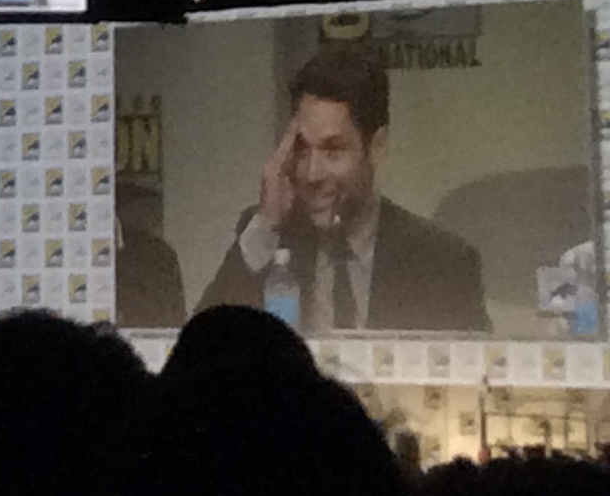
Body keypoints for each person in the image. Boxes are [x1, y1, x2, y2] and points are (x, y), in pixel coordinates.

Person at [194, 45, 490, 332]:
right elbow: (201, 346)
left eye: (333, 151)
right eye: (302, 150)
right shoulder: (267, 237)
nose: (312, 173)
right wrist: (266, 223)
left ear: (376, 148)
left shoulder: (443, 262)